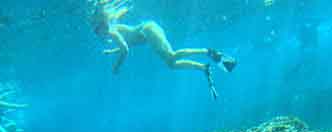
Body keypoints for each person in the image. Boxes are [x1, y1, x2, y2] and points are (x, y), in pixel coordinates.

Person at [90, 0, 237, 99]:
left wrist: (116, 66)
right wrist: (113, 52)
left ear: (102, 25)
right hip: (148, 29)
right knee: (171, 64)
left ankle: (207, 52)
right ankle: (203, 67)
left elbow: (125, 49)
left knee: (171, 57)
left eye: (96, 30)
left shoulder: (112, 32)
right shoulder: (114, 30)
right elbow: (127, 43)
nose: (97, 33)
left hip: (147, 30)